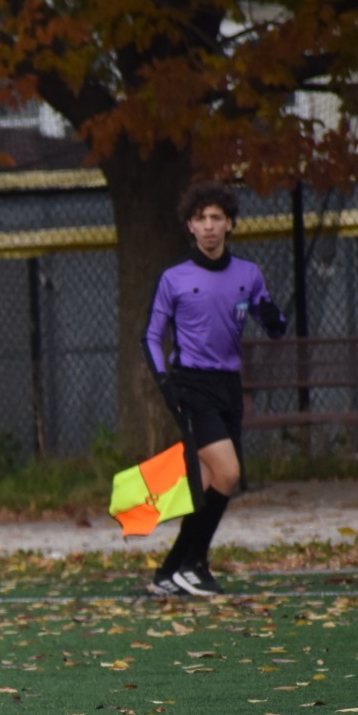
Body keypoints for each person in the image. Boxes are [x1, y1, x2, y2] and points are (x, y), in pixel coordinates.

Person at [144, 182, 288, 598]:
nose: (209, 226)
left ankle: (169, 572)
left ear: (229, 224)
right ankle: (195, 564)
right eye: (201, 219)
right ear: (190, 226)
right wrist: (165, 384)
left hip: (229, 386)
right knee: (228, 473)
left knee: (211, 482)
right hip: (191, 385)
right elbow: (151, 337)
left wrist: (271, 316)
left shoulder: (248, 273)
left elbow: (274, 326)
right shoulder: (173, 278)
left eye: (216, 218)